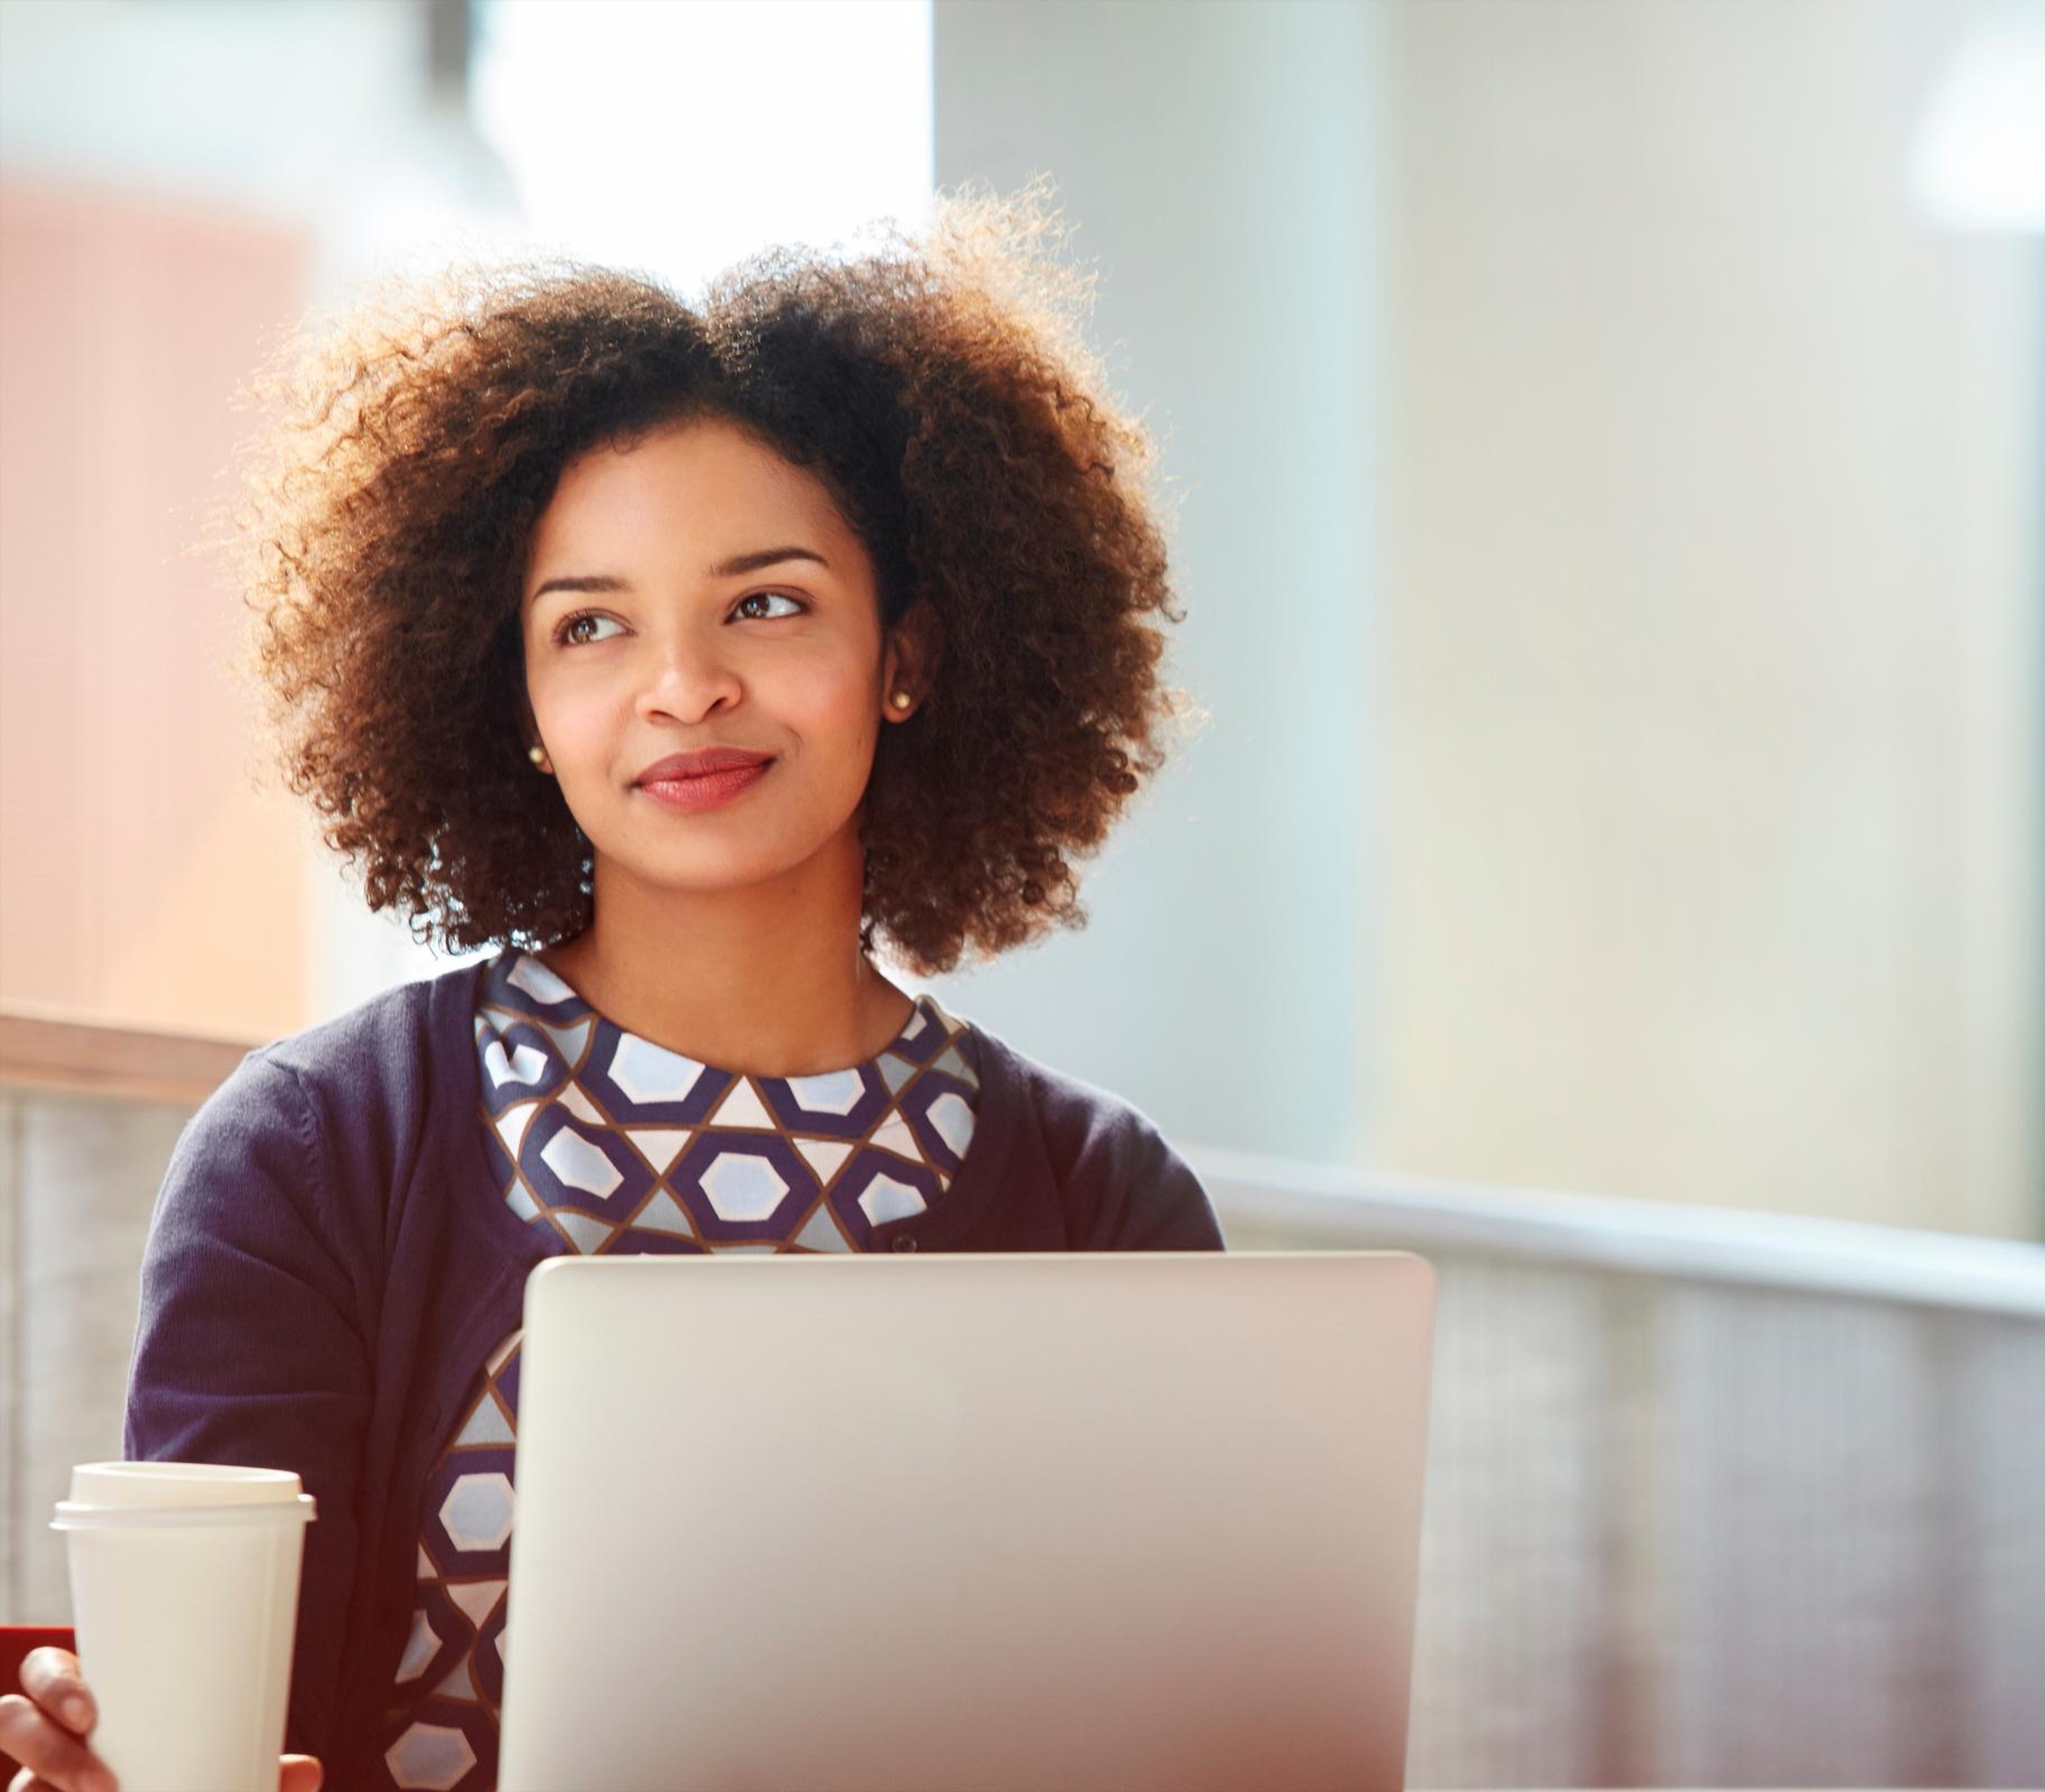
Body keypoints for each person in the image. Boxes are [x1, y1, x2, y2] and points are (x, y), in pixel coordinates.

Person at [1, 183, 1221, 1792]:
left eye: (766, 602)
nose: (683, 685)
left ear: (907, 653)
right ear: (511, 695)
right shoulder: (314, 1152)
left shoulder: (1104, 1201)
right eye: (590, 626)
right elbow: (218, 1738)